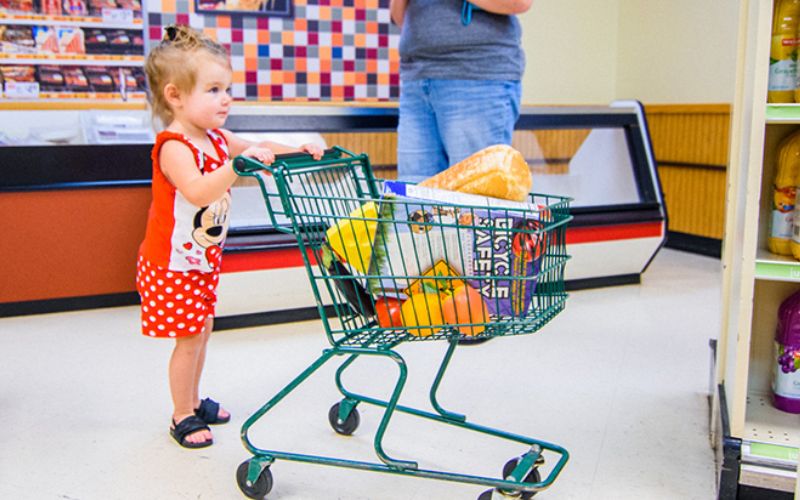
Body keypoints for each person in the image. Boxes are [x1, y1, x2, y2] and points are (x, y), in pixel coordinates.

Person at [139, 24, 323, 449]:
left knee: (201, 332)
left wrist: (298, 149)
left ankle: (194, 399)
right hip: (172, 264)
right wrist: (240, 166)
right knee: (187, 342)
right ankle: (181, 414)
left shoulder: (217, 138)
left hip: (200, 260)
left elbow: (258, 146)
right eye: (214, 89)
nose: (226, 99)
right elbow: (199, 190)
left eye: (228, 89)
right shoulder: (175, 146)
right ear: (175, 96)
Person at [390, 0, 533, 183]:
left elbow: (518, 3)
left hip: (476, 75)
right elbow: (401, 17)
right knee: (412, 199)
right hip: (417, 77)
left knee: (474, 199)